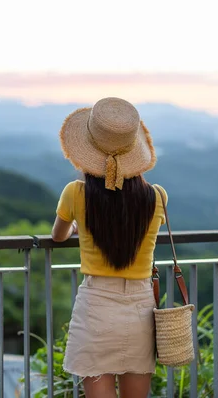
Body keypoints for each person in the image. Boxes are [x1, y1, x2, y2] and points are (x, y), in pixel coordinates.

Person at [51, 97, 168, 398]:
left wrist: (77, 226)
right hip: (141, 307)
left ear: (88, 153)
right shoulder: (156, 197)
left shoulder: (75, 193)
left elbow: (58, 236)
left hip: (97, 305)